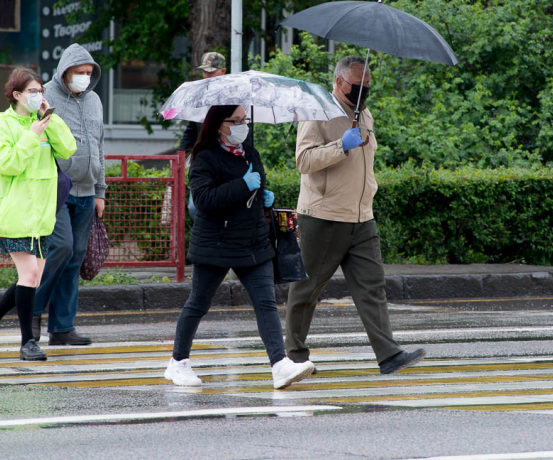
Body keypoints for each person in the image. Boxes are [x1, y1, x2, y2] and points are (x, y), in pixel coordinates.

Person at [285, 56, 426, 375]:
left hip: (361, 217)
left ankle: (388, 354)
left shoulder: (365, 115)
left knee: (372, 287)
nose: (362, 93)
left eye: (367, 88)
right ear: (338, 82)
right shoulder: (317, 111)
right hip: (323, 216)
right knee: (307, 289)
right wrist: (340, 146)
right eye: (357, 87)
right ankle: (293, 358)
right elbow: (304, 160)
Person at [164, 104, 314, 389]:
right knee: (198, 303)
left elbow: (255, 190)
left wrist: (263, 198)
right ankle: (178, 362)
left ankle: (279, 364)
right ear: (220, 124)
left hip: (253, 241)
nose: (242, 125)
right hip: (216, 243)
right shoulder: (205, 157)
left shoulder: (250, 153)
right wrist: (243, 185)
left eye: (245, 119)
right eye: (236, 120)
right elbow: (204, 200)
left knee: (266, 303)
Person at [0, 67, 76, 361]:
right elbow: (7, 164)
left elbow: (68, 149)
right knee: (30, 275)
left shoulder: (43, 122)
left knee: (31, 278)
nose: (39, 95)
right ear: (17, 94)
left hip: (41, 216)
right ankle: (28, 342)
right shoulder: (0, 125)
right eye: (33, 91)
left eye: (41, 90)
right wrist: (31, 136)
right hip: (14, 214)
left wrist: (49, 119)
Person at [32, 44, 106, 345]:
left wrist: (100, 190)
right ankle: (33, 312)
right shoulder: (46, 97)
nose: (85, 78)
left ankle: (62, 327)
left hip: (87, 191)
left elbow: (100, 145)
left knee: (75, 256)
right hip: (56, 188)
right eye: (80, 73)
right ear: (65, 72)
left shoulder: (95, 101)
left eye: (89, 73)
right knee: (60, 249)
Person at [179, 52, 228, 222]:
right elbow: (191, 131)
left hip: (227, 160)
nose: (206, 76)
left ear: (223, 71)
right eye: (204, 72)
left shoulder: (233, 97)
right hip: (204, 162)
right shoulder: (198, 99)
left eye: (211, 72)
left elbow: (244, 131)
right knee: (195, 208)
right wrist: (179, 157)